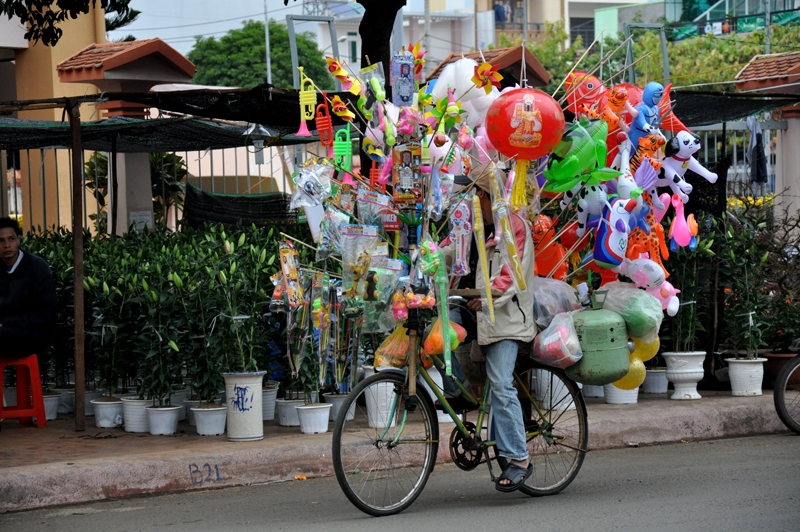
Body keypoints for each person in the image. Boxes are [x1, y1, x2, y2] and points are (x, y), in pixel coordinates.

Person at [444, 163, 536, 492]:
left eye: (471, 194)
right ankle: (456, 394)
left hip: (505, 316)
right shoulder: (468, 225)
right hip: (472, 307)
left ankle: (519, 458)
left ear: (482, 194)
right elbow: (445, 252)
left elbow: (512, 274)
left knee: (500, 382)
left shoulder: (514, 225)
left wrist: (488, 299)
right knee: (440, 331)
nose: (466, 201)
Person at [0, 217, 58, 358]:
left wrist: (5, 322)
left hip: (33, 334)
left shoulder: (37, 267)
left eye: (11, 239)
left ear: (19, 240)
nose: (7, 245)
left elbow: (46, 314)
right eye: (1, 241)